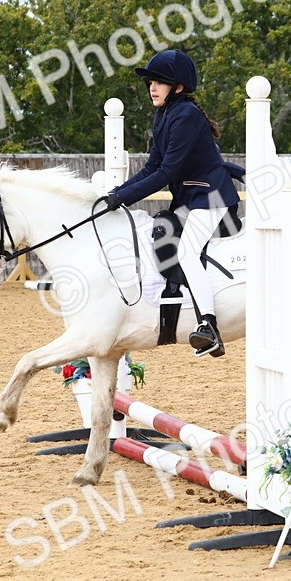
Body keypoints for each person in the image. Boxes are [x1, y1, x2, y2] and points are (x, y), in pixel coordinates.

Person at [104, 50, 239, 357]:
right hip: (190, 198)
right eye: (150, 82)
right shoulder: (164, 114)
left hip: (210, 196)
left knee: (187, 252)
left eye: (159, 82)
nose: (152, 87)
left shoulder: (187, 115)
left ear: (177, 86)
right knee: (157, 232)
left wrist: (123, 197)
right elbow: (152, 167)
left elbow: (167, 172)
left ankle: (209, 326)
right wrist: (116, 193)